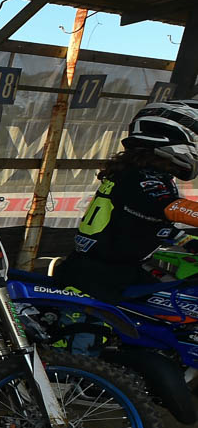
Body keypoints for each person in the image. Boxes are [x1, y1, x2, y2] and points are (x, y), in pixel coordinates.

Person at [58, 99, 198, 301]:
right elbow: (171, 208)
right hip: (99, 278)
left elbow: (143, 223)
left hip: (112, 271)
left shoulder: (139, 172)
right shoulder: (141, 177)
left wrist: (187, 241)